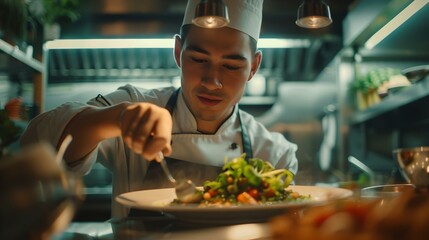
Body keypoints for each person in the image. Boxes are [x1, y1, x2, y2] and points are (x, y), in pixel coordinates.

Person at [20, 0, 298, 218]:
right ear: (178, 52)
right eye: (199, 59)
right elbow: (36, 145)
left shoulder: (274, 155)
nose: (212, 82)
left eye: (231, 66)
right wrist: (116, 118)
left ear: (254, 67)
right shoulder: (136, 103)